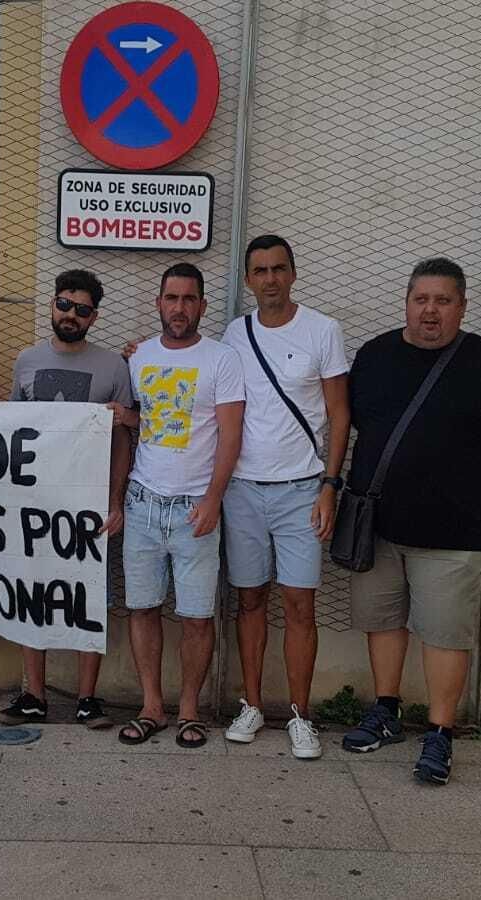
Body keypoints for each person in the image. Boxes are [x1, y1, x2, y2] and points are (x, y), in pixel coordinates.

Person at [339, 257, 481, 785]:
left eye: (443, 301)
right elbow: (356, 421)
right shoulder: (374, 356)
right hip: (377, 524)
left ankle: (440, 734)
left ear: (462, 307)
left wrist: (461, 459)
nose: (431, 310)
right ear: (406, 302)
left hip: (456, 530)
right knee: (382, 622)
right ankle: (385, 711)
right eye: (421, 299)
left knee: (445, 635)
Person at [219, 235, 349, 760]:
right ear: (248, 280)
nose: (270, 278)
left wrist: (329, 486)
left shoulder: (323, 330)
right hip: (243, 489)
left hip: (302, 490)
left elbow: (341, 415)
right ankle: (251, 703)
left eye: (278, 269)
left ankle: (300, 714)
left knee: (300, 604)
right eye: (259, 270)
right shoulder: (234, 333)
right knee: (249, 600)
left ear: (293, 274)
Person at [0, 270, 134, 730]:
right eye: (64, 305)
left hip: (89, 504)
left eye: (82, 309)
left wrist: (116, 501)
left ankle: (87, 698)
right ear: (52, 305)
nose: (71, 315)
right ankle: (33, 694)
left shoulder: (114, 367)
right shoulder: (26, 361)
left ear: (94, 316)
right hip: (35, 501)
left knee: (87, 596)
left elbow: (121, 440)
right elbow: (12, 428)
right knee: (32, 592)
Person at [117, 263, 244, 750]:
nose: (179, 308)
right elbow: (141, 421)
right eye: (171, 298)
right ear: (158, 303)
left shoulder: (221, 359)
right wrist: (119, 415)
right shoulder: (139, 357)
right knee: (143, 609)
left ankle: (189, 710)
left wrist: (214, 498)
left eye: (189, 299)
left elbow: (231, 435)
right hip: (144, 503)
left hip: (196, 508)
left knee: (196, 615)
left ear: (202, 306)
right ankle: (151, 706)